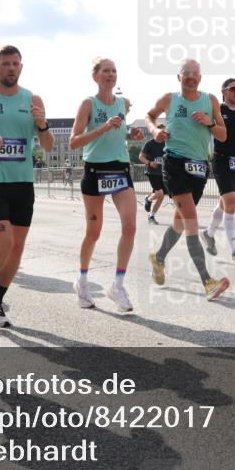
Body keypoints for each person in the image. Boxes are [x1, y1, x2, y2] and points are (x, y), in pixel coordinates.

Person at [0, 45, 53, 327]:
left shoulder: (32, 99)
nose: (11, 68)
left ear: (22, 67)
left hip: (23, 183)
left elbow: (47, 146)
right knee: (3, 242)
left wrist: (42, 125)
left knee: (16, 249)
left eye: (16, 64)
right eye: (6, 63)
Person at [145, 59, 231, 301]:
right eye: (186, 73)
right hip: (174, 163)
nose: (191, 77)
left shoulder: (210, 100)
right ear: (179, 77)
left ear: (200, 78)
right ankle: (208, 281)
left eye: (195, 73)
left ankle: (159, 257)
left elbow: (223, 135)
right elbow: (150, 115)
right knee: (192, 221)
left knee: (180, 223)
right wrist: (154, 131)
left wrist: (210, 122)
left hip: (200, 168)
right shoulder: (169, 99)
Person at [68, 57, 145, 312]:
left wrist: (131, 135)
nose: (111, 75)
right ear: (95, 76)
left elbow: (117, 133)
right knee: (94, 231)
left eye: (114, 71)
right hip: (95, 170)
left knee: (131, 226)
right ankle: (82, 281)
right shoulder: (88, 104)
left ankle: (118, 285)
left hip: (120, 168)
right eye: (105, 71)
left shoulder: (123, 103)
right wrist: (102, 128)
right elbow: (74, 141)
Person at [202, 77, 235, 266]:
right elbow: (207, 128)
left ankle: (208, 233)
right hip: (221, 159)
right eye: (232, 89)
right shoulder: (219, 110)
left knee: (226, 203)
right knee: (231, 202)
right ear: (223, 92)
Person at [139, 125, 166, 225]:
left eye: (165, 131)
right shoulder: (150, 143)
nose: (163, 134)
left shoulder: (166, 143)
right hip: (153, 172)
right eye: (161, 132)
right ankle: (148, 199)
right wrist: (150, 163)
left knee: (161, 196)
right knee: (160, 193)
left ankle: (151, 215)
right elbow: (141, 156)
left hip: (163, 172)